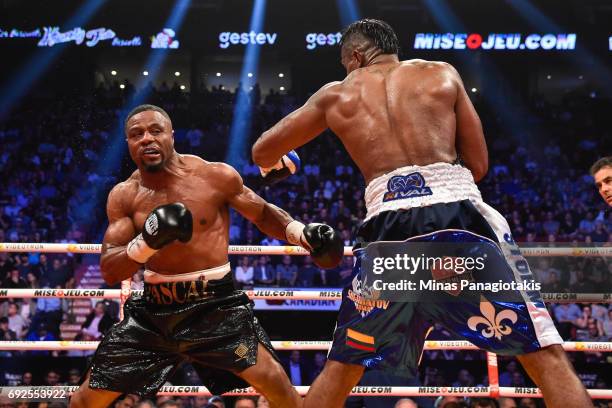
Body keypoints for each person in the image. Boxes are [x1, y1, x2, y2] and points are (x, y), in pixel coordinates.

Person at [252, 18, 591, 408]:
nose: (347, 72)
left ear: (357, 57)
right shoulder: (441, 74)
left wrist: (281, 163)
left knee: (344, 365)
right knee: (544, 355)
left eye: (346, 64)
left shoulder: (335, 95)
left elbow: (262, 150)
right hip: (461, 219)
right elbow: (478, 165)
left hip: (387, 231)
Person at [70, 104, 343, 408]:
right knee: (84, 400)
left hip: (215, 306)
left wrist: (299, 233)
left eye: (155, 131)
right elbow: (110, 270)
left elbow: (263, 213)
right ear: (129, 144)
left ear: (171, 136)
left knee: (277, 384)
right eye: (137, 134)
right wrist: (147, 242)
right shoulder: (124, 195)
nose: (146, 139)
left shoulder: (214, 175)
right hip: (154, 312)